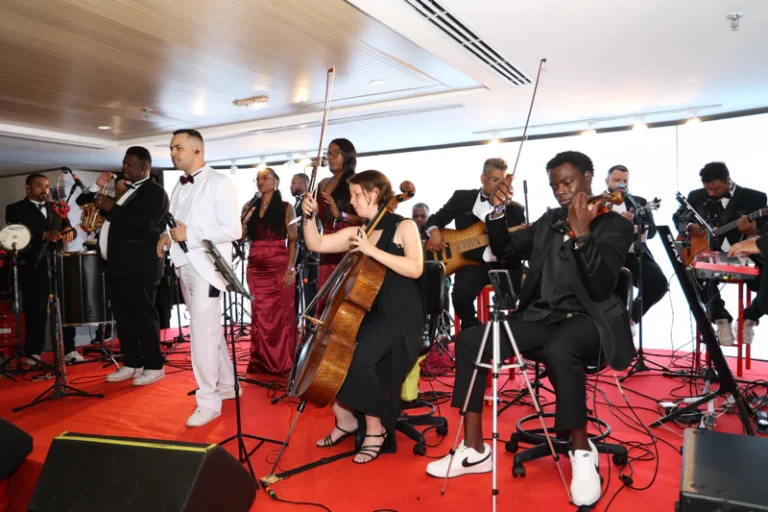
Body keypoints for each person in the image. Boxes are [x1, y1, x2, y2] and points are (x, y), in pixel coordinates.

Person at [426, 151, 634, 508]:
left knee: (561, 349)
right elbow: (505, 248)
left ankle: (582, 451)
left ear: (588, 177)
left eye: (567, 182)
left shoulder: (615, 225)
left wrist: (583, 233)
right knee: (471, 340)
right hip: (541, 317)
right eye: (554, 186)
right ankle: (474, 449)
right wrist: (496, 213)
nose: (561, 191)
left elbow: (601, 286)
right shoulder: (551, 220)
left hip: (590, 321)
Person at [301, 170, 425, 464]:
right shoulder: (359, 232)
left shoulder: (404, 226)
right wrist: (308, 216)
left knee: (355, 358)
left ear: (375, 193)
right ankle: (345, 419)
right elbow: (316, 244)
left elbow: (415, 268)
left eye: (357, 194)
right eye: (352, 194)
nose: (352, 201)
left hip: (401, 318)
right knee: (330, 356)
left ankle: (375, 427)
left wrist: (371, 250)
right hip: (369, 314)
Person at [157, 129, 241, 427]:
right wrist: (167, 236)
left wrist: (189, 234)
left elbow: (233, 230)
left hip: (208, 268)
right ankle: (228, 385)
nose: (172, 153)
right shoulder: (179, 184)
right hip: (184, 264)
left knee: (202, 335)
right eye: (171, 148)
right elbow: (175, 222)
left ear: (197, 150)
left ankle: (208, 401)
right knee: (208, 330)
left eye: (177, 147)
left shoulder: (220, 182)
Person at [93, 147, 169, 385]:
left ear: (144, 167)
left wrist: (111, 208)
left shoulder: (155, 192)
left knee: (144, 317)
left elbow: (145, 222)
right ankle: (133, 362)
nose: (124, 167)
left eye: (129, 164)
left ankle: (154, 365)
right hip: (119, 265)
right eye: (124, 163)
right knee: (124, 316)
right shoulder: (127, 191)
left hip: (141, 266)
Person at [424, 158, 525, 329]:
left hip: (502, 264)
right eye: (494, 180)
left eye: (502, 181)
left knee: (527, 289)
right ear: (482, 178)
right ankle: (474, 331)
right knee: (460, 297)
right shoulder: (462, 198)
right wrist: (434, 232)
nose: (499, 186)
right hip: (468, 262)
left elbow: (518, 245)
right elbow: (435, 219)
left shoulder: (515, 210)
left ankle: (514, 333)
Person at [673, 162, 767, 345]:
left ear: (727, 180)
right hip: (707, 252)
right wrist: (689, 227)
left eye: (715, 189)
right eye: (707, 189)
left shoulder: (755, 198)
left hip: (745, 254)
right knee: (694, 273)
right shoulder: (696, 196)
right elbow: (678, 217)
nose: (711, 193)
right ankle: (720, 319)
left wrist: (750, 233)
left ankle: (750, 318)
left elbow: (763, 233)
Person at [5, 173, 83, 365]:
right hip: (33, 266)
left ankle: (69, 349)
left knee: (65, 308)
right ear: (28, 188)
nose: (45, 190)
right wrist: (44, 235)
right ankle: (33, 352)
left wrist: (70, 233)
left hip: (57, 264)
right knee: (35, 310)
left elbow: (68, 228)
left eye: (47, 186)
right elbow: (15, 234)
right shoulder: (15, 208)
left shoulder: (55, 208)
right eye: (39, 186)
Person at [241, 167, 297, 375]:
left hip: (279, 265)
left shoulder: (286, 207)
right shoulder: (249, 206)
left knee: (282, 314)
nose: (261, 181)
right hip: (255, 267)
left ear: (276, 181)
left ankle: (283, 361)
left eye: (266, 178)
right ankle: (261, 361)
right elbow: (240, 237)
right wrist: (245, 220)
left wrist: (290, 268)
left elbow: (294, 240)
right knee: (260, 314)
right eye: (258, 178)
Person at [605, 165, 667, 326]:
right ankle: (615, 328)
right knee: (617, 294)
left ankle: (630, 318)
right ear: (607, 181)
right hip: (607, 256)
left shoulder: (638, 202)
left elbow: (651, 231)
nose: (621, 184)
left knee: (658, 283)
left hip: (634, 253)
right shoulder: (599, 202)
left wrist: (634, 223)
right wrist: (618, 222)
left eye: (625, 181)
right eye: (617, 180)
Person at [315, 138, 364, 313]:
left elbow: (365, 221)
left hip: (347, 243)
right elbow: (317, 214)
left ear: (347, 155)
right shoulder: (323, 183)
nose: (331, 157)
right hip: (326, 243)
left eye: (336, 153)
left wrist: (341, 215)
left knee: (344, 298)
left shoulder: (356, 182)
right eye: (329, 153)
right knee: (325, 296)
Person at [290, 172, 319, 316]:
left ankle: (310, 320)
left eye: (293, 183)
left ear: (303, 184)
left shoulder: (311, 201)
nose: (290, 186)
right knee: (296, 287)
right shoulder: (296, 203)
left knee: (310, 288)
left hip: (310, 253)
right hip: (298, 250)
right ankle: (296, 318)